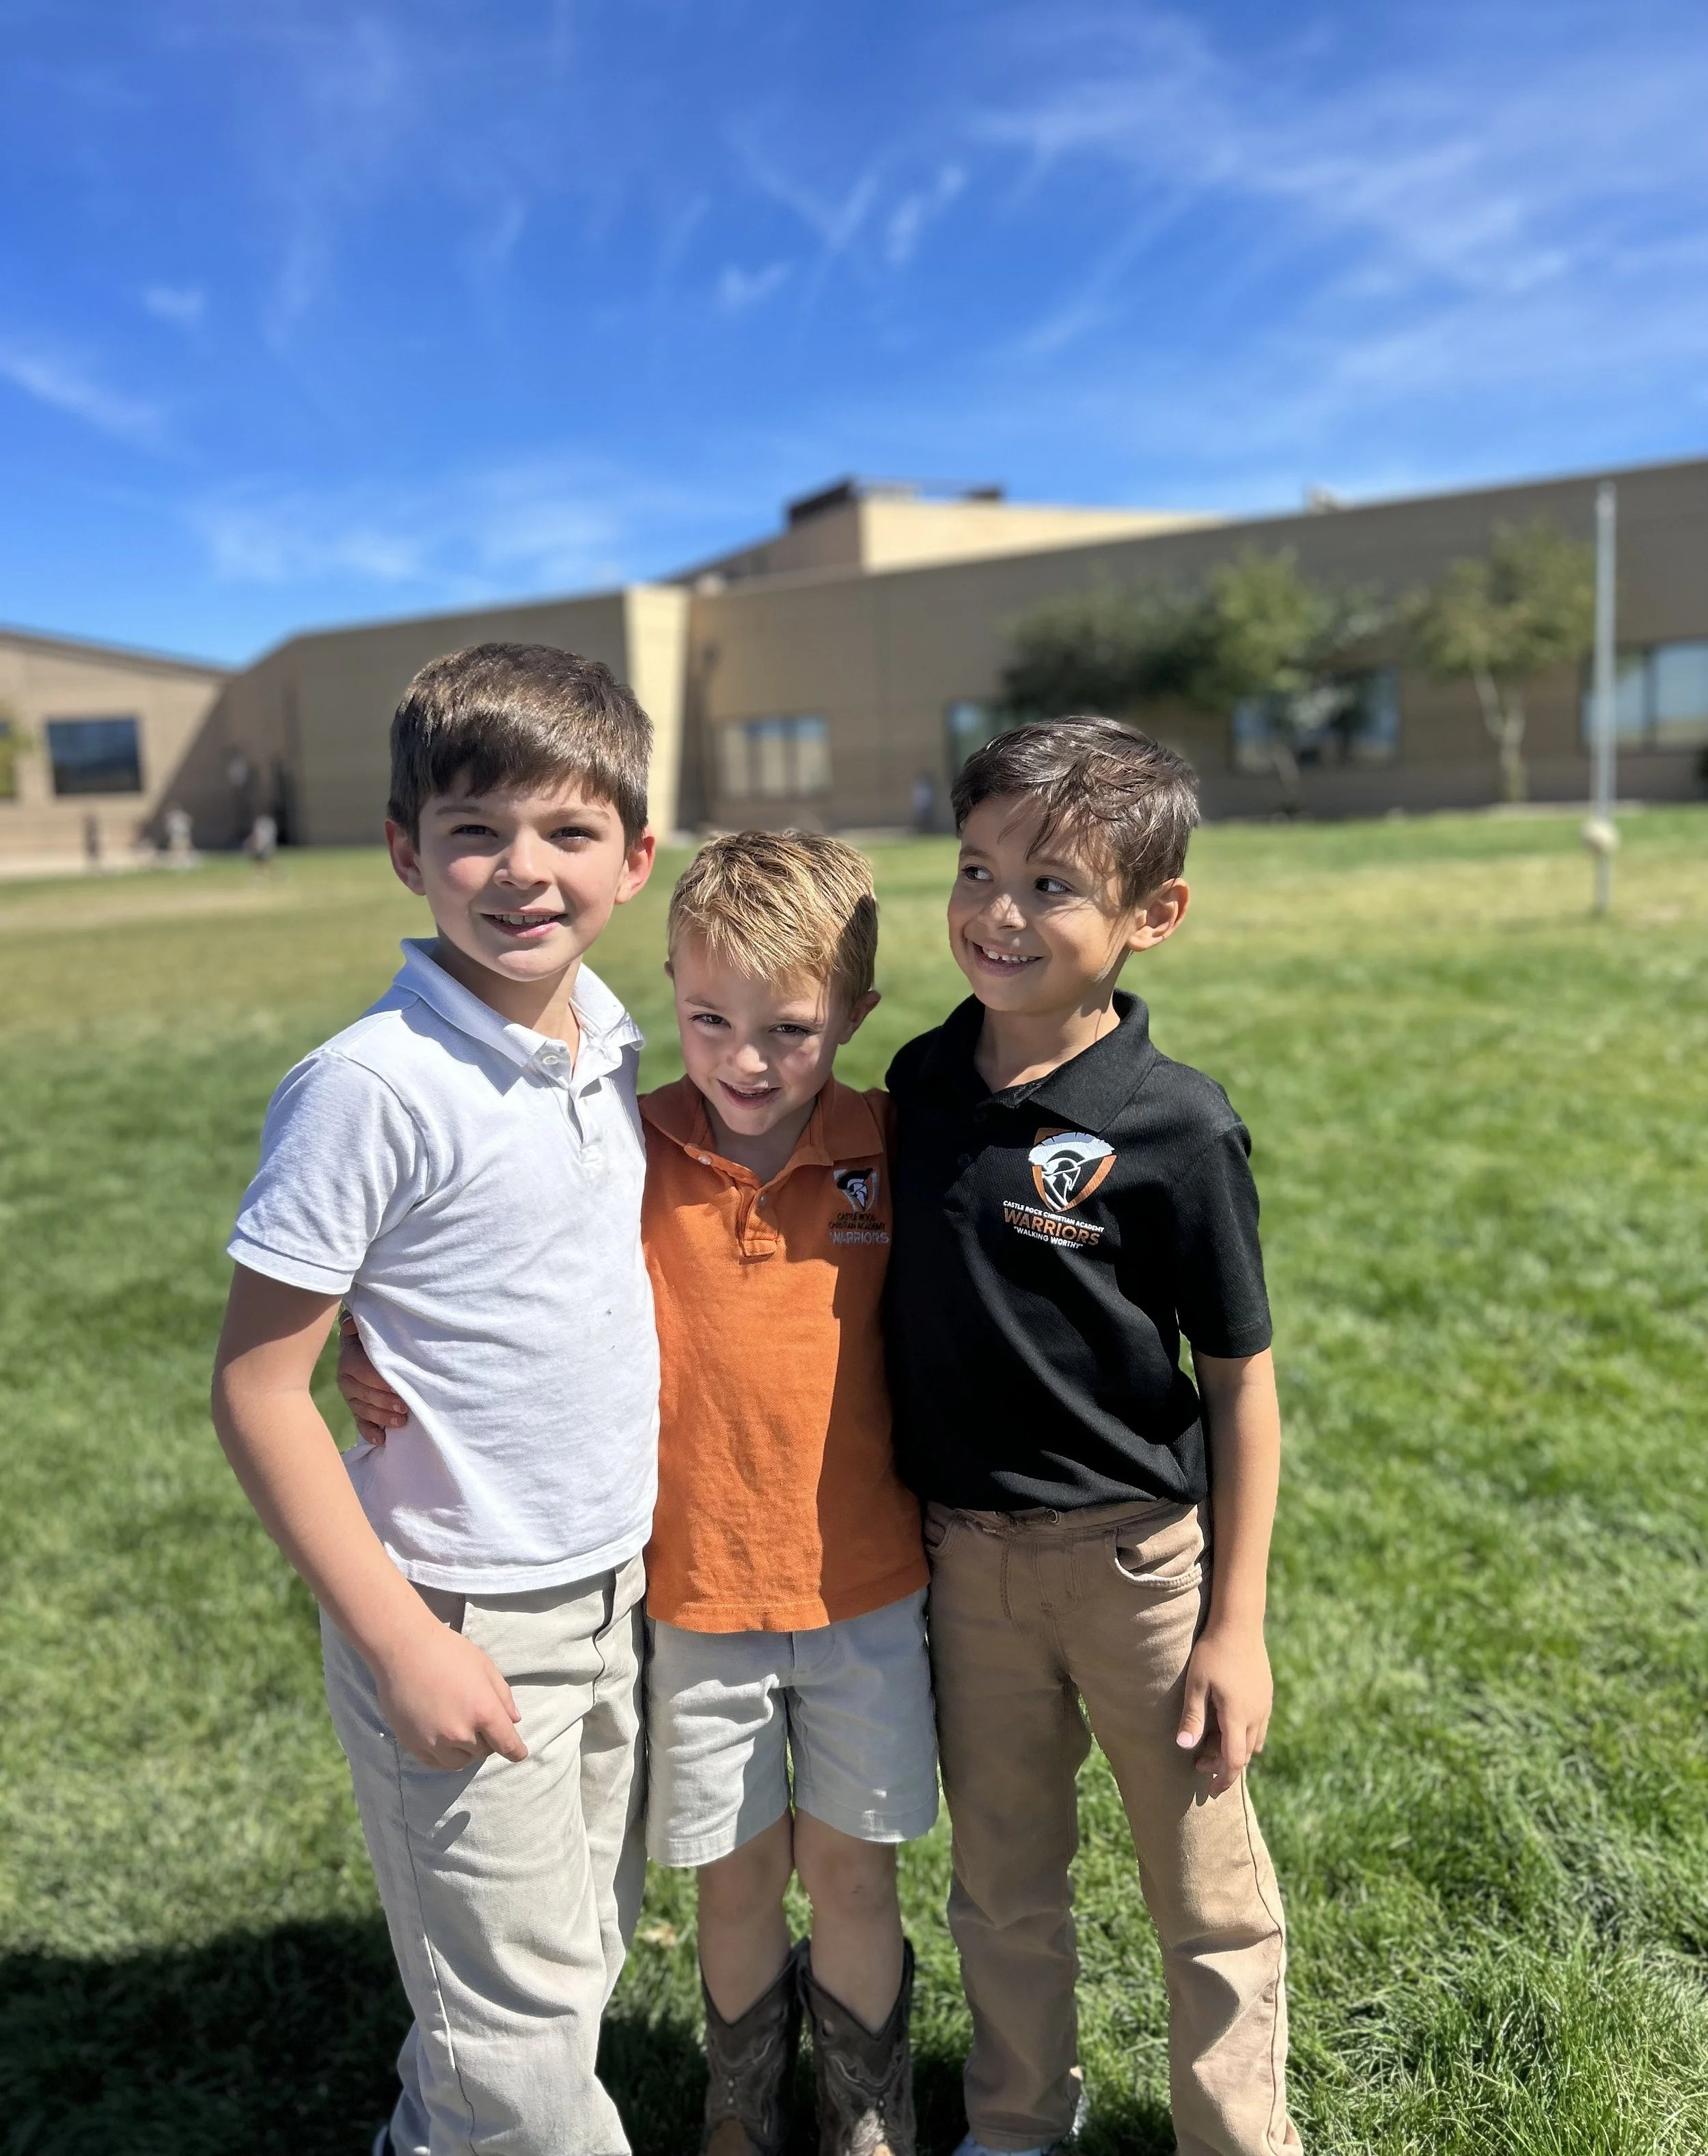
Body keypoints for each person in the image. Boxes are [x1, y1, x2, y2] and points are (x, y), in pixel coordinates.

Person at [344, 831, 939, 2156]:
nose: (743, 1059)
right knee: (731, 1878)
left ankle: (863, 2108)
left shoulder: (895, 1146)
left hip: (867, 1589)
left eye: (788, 1028)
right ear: (668, 980)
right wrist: (367, 1328)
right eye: (710, 1017)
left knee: (851, 1868)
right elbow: (488, 1256)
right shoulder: (629, 1138)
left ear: (853, 1011)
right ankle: (739, 2108)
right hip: (693, 1598)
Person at [210, 642, 661, 2156]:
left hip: (616, 1591)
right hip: (458, 1614)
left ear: (636, 855)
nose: (519, 870)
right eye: (473, 830)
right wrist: (398, 1637)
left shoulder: (609, 1040)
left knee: (564, 1967)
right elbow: (257, 1386)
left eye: (567, 831)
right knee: (528, 2073)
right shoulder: (368, 1085)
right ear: (406, 850)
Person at [884, 716, 1301, 2156]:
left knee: (1206, 1898)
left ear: (1150, 917)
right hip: (961, 1572)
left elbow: (1240, 1380)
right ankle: (1012, 2122)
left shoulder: (1176, 1129)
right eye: (974, 866)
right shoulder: (916, 1093)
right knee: (1000, 1885)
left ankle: (1234, 2138)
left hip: (1138, 1574)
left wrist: (1231, 1624)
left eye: (1051, 884)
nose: (997, 912)